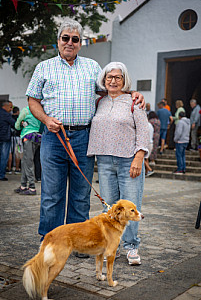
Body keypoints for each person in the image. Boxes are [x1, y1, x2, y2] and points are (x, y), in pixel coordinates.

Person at [26, 19, 145, 251]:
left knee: (81, 194)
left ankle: (77, 241)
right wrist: (46, 119)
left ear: (81, 43)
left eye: (75, 39)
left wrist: (133, 92)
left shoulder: (92, 67)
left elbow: (111, 88)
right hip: (54, 137)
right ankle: (49, 240)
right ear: (58, 40)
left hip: (83, 138)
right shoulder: (43, 67)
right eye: (65, 38)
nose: (70, 43)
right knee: (52, 195)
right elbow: (33, 99)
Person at [87, 62, 149, 265]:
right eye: (109, 77)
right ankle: (112, 247)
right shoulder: (99, 102)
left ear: (124, 81)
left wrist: (139, 157)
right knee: (111, 209)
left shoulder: (133, 101)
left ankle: (131, 246)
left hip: (128, 162)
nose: (113, 81)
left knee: (130, 206)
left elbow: (143, 132)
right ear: (104, 80)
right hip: (104, 162)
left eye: (118, 77)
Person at [14, 106, 41, 195]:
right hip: (37, 137)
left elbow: (17, 125)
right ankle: (23, 185)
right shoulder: (40, 110)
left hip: (28, 136)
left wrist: (21, 125)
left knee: (28, 162)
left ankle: (32, 187)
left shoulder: (26, 110)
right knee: (25, 162)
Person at [0, 101, 15, 181]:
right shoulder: (6, 114)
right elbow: (14, 123)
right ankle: (1, 175)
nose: (11, 109)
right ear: (5, 106)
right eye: (10, 107)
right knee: (4, 157)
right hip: (4, 138)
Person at [7, 106, 22, 174]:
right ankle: (17, 169)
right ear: (18, 111)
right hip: (18, 137)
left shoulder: (9, 117)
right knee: (17, 153)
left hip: (10, 137)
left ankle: (9, 169)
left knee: (9, 152)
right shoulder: (19, 118)